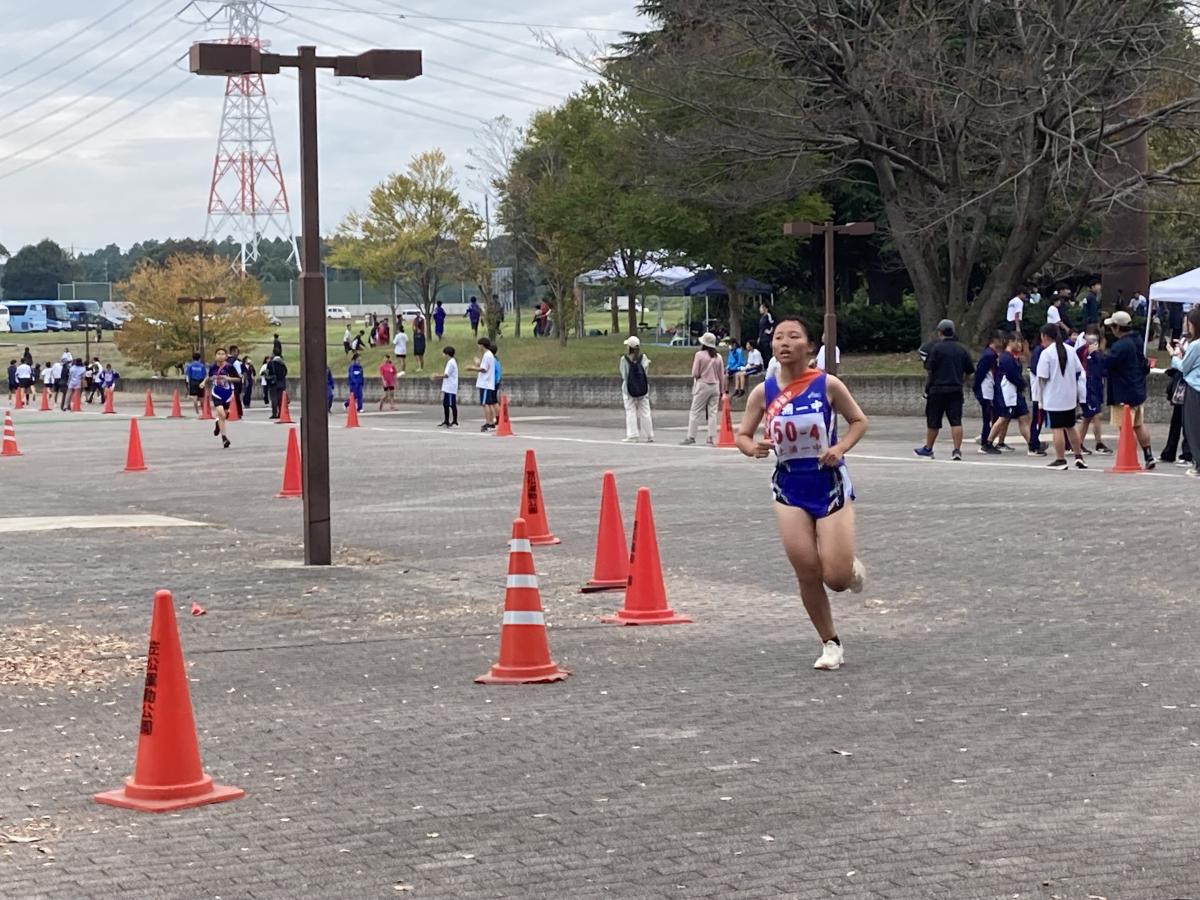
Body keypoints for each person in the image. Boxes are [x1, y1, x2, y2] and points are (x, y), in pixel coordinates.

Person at [734, 316, 867, 672]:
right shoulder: (763, 392)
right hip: (789, 486)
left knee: (835, 579)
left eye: (794, 337)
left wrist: (840, 448)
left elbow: (859, 421)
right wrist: (752, 447)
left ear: (809, 346)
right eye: (778, 337)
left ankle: (849, 568)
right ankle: (830, 642)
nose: (784, 343)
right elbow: (742, 435)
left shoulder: (828, 384)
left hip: (828, 483)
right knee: (807, 571)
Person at [913, 319, 973, 460]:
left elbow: (929, 368)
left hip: (937, 389)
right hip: (956, 389)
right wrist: (961, 380)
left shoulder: (936, 348)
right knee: (956, 420)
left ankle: (928, 449)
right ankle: (957, 450)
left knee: (933, 421)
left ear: (940, 332)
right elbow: (969, 370)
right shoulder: (962, 349)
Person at [1102, 310, 1155, 469]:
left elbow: (1108, 363)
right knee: (1139, 424)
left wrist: (1097, 353)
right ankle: (1149, 455)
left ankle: (1129, 456)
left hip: (1123, 392)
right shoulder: (1137, 340)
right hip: (1137, 389)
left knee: (1125, 427)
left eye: (1112, 326)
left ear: (1117, 327)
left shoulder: (1120, 346)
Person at [1035, 324, 1088, 469]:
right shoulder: (1071, 351)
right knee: (1071, 426)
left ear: (1045, 336)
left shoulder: (1046, 354)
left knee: (1057, 428)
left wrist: (1040, 398)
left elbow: (1042, 377)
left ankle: (1060, 459)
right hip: (1069, 396)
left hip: (1054, 397)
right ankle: (1078, 456)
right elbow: (1079, 370)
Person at [986, 335, 1033, 451]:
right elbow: (1012, 376)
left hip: (1015, 393)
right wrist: (1023, 383)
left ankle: (1032, 443)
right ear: (1009, 342)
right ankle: (988, 442)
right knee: (1003, 417)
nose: (1019, 345)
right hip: (1007, 393)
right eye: (1016, 341)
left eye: (1020, 342)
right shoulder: (1006, 358)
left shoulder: (1013, 358)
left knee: (1024, 417)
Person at [1170, 308, 1200, 476]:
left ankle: (1198, 465)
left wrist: (1175, 357)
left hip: (1195, 388)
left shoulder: (1196, 345)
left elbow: (1184, 367)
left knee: (1193, 428)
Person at [682, 332, 725, 446]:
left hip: (703, 385)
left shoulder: (699, 355)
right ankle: (711, 437)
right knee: (712, 413)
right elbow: (722, 375)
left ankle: (691, 436)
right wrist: (722, 390)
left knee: (695, 411)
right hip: (715, 386)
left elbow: (695, 373)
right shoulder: (718, 357)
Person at [974, 331, 1006, 452]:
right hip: (985, 389)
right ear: (994, 340)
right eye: (1000, 339)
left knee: (990, 416)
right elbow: (980, 373)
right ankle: (985, 442)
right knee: (988, 417)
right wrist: (977, 387)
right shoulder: (989, 355)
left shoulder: (991, 354)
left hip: (987, 388)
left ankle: (986, 440)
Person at [619, 335, 654, 443]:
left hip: (629, 390)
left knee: (631, 411)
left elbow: (624, 375)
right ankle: (649, 435)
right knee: (645, 411)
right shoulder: (643, 358)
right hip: (643, 389)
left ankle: (633, 435)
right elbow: (645, 372)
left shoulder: (624, 359)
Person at [206, 348, 235, 448]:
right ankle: (224, 438)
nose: (221, 356)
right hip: (216, 392)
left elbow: (239, 379)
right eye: (218, 354)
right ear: (215, 356)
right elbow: (209, 377)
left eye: (223, 354)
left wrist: (229, 378)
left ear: (226, 356)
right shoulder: (212, 367)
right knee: (222, 414)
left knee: (224, 416)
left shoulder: (229, 367)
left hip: (227, 393)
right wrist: (204, 383)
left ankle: (217, 424)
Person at [471, 337, 498, 431]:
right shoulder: (489, 355)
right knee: (488, 404)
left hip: (485, 383)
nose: (478, 347)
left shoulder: (487, 355)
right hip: (487, 383)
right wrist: (478, 363)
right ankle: (491, 423)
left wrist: (472, 368)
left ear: (482, 345)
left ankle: (489, 423)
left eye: (479, 345)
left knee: (485, 404)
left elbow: (484, 369)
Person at [432, 346, 459, 427]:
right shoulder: (450, 362)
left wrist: (437, 376)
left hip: (451, 387)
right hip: (447, 387)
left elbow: (446, 375)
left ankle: (455, 421)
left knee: (452, 404)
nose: (443, 355)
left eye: (444, 353)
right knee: (445, 404)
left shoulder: (451, 362)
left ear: (447, 354)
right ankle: (446, 420)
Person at [267, 354, 287, 418]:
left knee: (274, 399)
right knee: (280, 399)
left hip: (273, 383)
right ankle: (281, 413)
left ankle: (274, 413)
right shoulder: (282, 364)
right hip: (281, 383)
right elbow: (285, 372)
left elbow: (267, 373)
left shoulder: (270, 363)